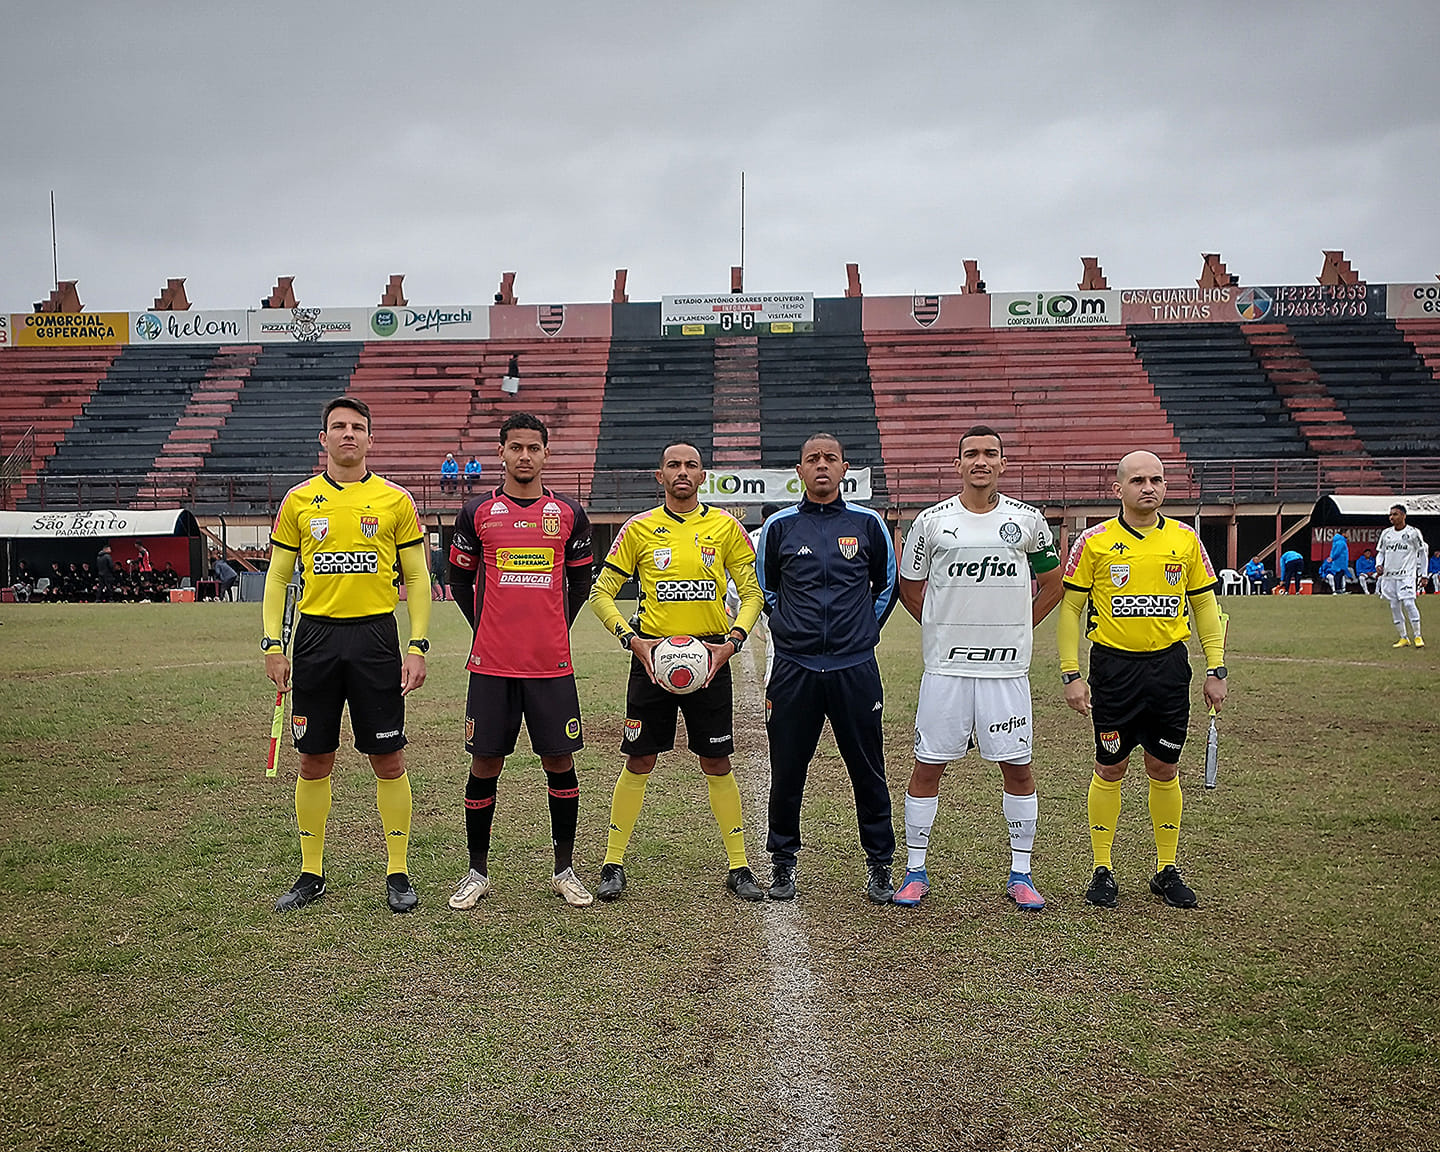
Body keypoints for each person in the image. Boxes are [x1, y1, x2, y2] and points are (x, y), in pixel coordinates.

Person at [263, 396, 432, 914]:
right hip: (315, 639)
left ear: (370, 439)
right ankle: (311, 874)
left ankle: (398, 872)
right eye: (338, 427)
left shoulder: (395, 501)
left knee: (388, 756)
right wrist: (273, 642)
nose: (348, 435)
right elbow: (276, 576)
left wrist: (418, 643)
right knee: (314, 759)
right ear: (324, 439)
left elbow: (419, 577)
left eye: (358, 427)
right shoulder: (298, 500)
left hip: (376, 638)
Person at [893, 426, 1064, 910]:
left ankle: (1022, 872)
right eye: (972, 454)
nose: (981, 461)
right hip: (946, 669)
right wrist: (942, 630)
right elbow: (911, 588)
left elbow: (1052, 585)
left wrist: (1018, 627)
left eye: (991, 454)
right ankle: (916, 869)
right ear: (958, 464)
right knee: (928, 765)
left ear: (1004, 464)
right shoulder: (931, 522)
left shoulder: (1027, 520)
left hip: (1007, 671)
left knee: (1018, 767)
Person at [588, 440, 765, 903]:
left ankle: (739, 866)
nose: (682, 472)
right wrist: (633, 640)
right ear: (659, 475)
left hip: (710, 661)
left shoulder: (726, 528)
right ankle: (612, 863)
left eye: (691, 465)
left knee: (716, 761)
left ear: (702, 476)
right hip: (652, 664)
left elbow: (752, 595)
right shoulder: (638, 529)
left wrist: (732, 643)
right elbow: (601, 593)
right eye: (673, 465)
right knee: (639, 759)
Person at [1058, 450, 1228, 910]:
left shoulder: (1186, 540)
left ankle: (1165, 869)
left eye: (1156, 479)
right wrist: (1071, 673)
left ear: (1166, 486)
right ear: (1118, 489)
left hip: (1168, 669)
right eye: (1137, 481)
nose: (1147, 487)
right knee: (1110, 767)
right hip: (1114, 669)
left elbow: (1205, 607)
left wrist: (1216, 667)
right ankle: (1102, 868)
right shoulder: (1093, 542)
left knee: (1164, 768)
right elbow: (1070, 609)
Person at [447, 413, 596, 909]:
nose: (525, 456)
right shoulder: (476, 513)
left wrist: (554, 628)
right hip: (491, 665)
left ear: (546, 454)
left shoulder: (569, 513)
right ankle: (476, 872)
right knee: (485, 762)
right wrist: (486, 628)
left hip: (550, 665)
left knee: (560, 760)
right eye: (516, 447)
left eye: (534, 447)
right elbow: (460, 581)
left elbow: (579, 584)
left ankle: (565, 869)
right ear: (501, 452)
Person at [756, 433, 899, 905]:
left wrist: (861, 634)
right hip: (794, 668)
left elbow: (887, 584)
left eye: (831, 459)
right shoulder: (779, 526)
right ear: (799, 471)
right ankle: (782, 863)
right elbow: (766, 589)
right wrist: (788, 628)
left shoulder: (868, 524)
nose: (822, 465)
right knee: (788, 769)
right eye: (812, 459)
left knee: (867, 767)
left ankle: (880, 863)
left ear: (845, 470)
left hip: (853, 666)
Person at [1376, 504, 1426, 648]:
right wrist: (1378, 565)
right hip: (1389, 576)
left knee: (1409, 603)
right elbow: (1381, 552)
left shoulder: (1413, 533)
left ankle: (1418, 636)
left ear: (1403, 516)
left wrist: (1423, 574)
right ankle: (1403, 637)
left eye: (1395, 514)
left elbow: (1422, 553)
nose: (1392, 517)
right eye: (1390, 514)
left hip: (1406, 575)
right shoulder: (1386, 533)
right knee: (1394, 606)